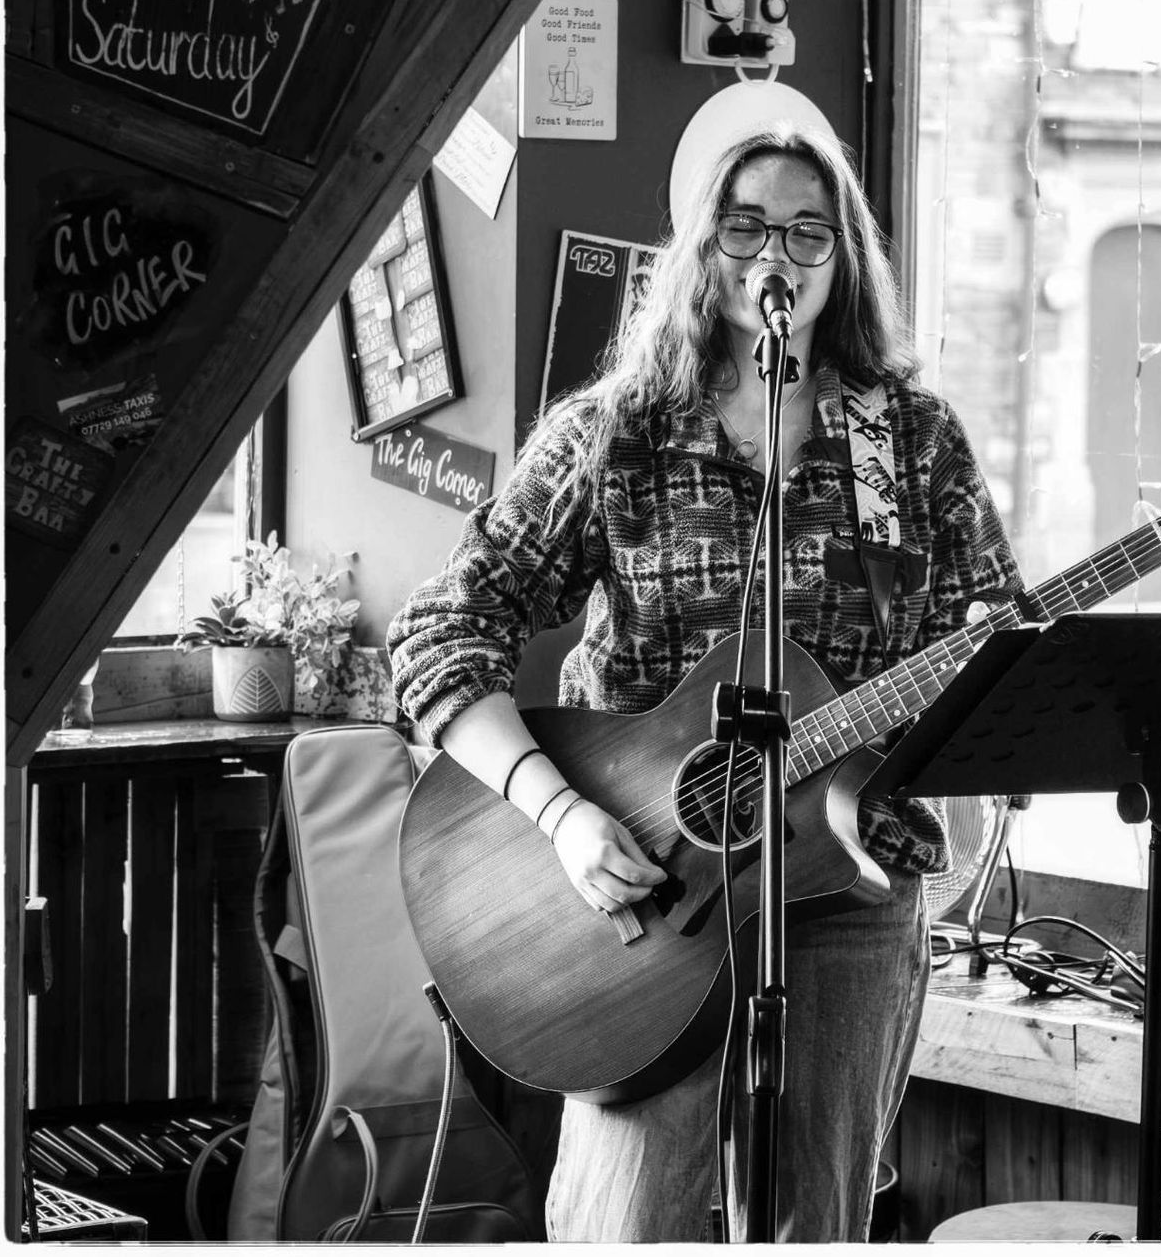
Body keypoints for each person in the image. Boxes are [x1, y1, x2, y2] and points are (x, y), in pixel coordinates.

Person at [387, 117, 1022, 1241]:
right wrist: (563, 814)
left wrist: (889, 762)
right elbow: (444, 628)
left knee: (812, 1225)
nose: (775, 256)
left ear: (846, 262)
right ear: (702, 247)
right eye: (747, 226)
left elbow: (989, 653)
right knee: (628, 1224)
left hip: (843, 893)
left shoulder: (911, 444)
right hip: (641, 890)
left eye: (808, 233)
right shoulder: (618, 433)